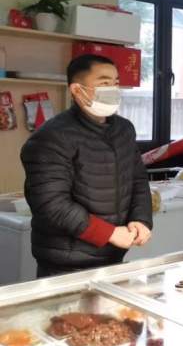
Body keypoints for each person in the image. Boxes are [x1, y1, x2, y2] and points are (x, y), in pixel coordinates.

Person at [21, 54, 153, 278]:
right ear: (76, 90)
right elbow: (52, 204)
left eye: (115, 83)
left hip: (113, 257)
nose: (113, 89)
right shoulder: (51, 137)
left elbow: (138, 180)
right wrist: (109, 233)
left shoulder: (124, 129)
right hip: (65, 264)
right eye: (104, 83)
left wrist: (141, 219)